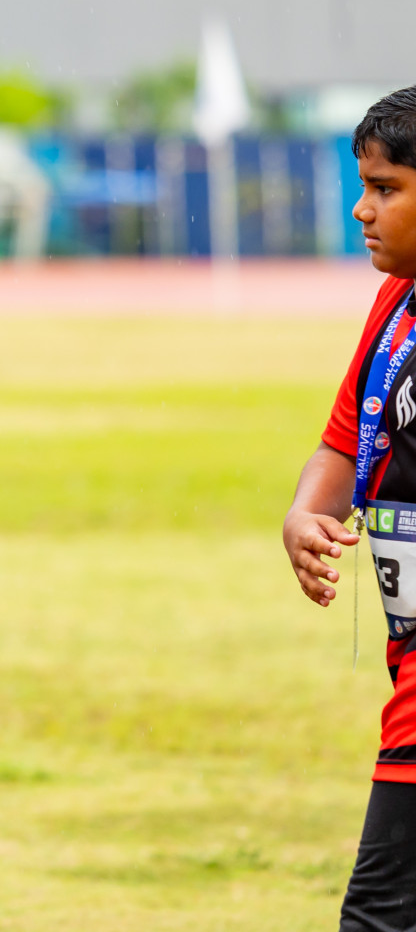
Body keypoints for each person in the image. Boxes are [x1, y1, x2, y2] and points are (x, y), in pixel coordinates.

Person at [284, 85, 416, 931]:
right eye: (362, 183)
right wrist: (305, 514)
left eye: (388, 188)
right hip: (406, 658)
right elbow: (344, 439)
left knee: (377, 917)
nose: (361, 209)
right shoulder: (394, 300)